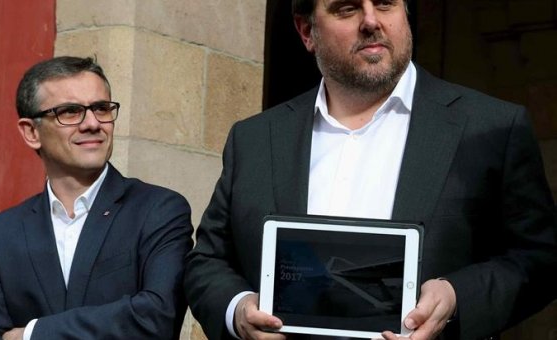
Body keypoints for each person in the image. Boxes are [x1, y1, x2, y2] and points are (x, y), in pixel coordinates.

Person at [184, 0, 557, 339]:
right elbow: (208, 260)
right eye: (347, 9)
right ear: (305, 31)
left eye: (384, 4)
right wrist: (238, 310)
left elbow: (540, 259)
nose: (371, 21)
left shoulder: (490, 127)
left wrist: (456, 295)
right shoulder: (254, 137)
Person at [0, 56, 193, 339]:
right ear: (31, 132)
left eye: (101, 108)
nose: (92, 123)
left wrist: (32, 334)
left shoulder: (159, 210)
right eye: (69, 112)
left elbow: (156, 316)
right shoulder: (0, 234)